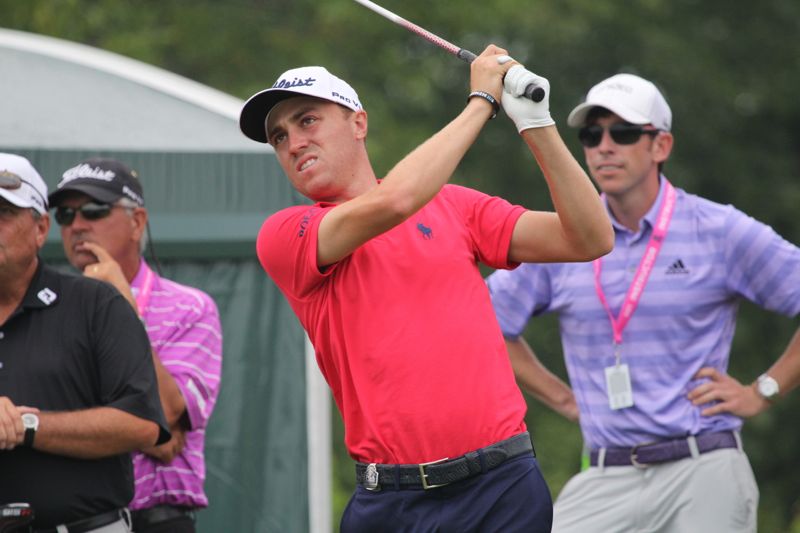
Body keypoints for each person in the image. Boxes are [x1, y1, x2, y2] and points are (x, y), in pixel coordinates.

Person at [237, 45, 614, 532]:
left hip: (502, 489)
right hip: (393, 504)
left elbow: (590, 238)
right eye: (279, 136)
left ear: (358, 123)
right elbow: (395, 201)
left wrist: (535, 122)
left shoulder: (455, 207)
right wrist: (481, 102)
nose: (293, 143)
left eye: (307, 120)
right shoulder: (286, 234)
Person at [486, 73, 800, 533]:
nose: (604, 147)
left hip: (703, 466)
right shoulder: (564, 238)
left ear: (661, 146)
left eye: (624, 133)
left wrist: (762, 391)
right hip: (605, 472)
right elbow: (486, 321)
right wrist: (564, 399)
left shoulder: (718, 229)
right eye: (592, 135)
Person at [48, 157, 224, 533]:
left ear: (137, 222)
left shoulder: (189, 308)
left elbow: (166, 414)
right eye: (65, 214)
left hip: (157, 520)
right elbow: (157, 437)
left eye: (94, 210)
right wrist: (138, 428)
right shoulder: (49, 309)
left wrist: (124, 306)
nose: (77, 225)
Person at [0, 153, 170, 531]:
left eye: (4, 213)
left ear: (40, 229)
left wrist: (26, 424)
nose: (78, 226)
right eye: (68, 215)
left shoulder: (96, 303)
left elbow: (145, 425)